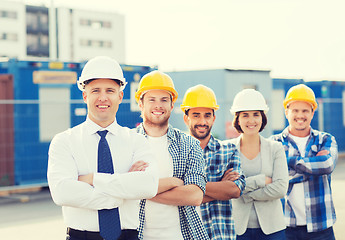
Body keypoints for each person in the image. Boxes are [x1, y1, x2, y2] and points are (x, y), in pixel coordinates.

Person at [47, 56, 159, 240]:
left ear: (120, 96)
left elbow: (148, 186)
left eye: (110, 90)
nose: (103, 97)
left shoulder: (137, 141)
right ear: (85, 96)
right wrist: (120, 194)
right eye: (95, 90)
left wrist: (91, 179)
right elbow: (62, 192)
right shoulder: (64, 141)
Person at [134, 71, 209, 240]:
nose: (158, 105)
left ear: (172, 105)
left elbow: (195, 196)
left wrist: (141, 190)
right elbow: (120, 189)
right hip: (137, 235)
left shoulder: (190, 144)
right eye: (151, 99)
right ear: (141, 104)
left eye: (164, 100)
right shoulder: (127, 143)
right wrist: (172, 183)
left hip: (180, 236)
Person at [271, 84, 338, 240]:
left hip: (321, 226)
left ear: (312, 113)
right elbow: (272, 179)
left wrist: (286, 163)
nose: (300, 115)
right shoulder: (274, 143)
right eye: (295, 110)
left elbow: (327, 165)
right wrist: (313, 166)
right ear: (286, 111)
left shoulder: (325, 139)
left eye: (305, 111)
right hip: (285, 226)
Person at [181, 84, 246, 240]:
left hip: (219, 236)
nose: (202, 121)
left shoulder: (228, 150)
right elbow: (172, 197)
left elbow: (234, 190)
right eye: (196, 115)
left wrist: (188, 187)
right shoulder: (176, 152)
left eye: (207, 115)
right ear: (186, 118)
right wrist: (219, 187)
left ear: (213, 118)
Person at [229, 89, 289, 240]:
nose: (251, 120)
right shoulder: (227, 149)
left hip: (272, 230)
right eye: (245, 115)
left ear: (262, 118)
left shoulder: (275, 148)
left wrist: (243, 193)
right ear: (238, 119)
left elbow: (281, 188)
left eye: (256, 114)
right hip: (238, 230)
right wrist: (261, 180)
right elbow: (226, 189)